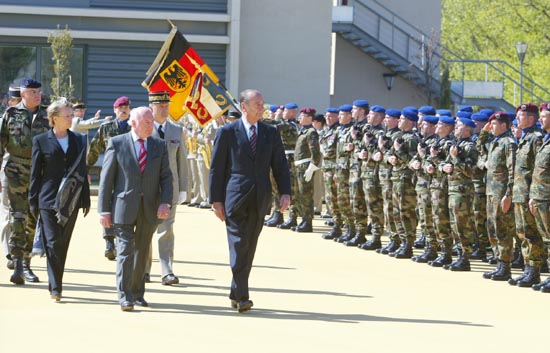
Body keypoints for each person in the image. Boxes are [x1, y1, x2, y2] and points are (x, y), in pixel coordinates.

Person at [209, 89, 290, 313]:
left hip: (260, 197)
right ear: (244, 107)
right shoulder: (227, 132)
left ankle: (237, 291)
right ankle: (243, 295)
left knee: (250, 245)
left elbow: (280, 165)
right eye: (257, 104)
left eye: (262, 103)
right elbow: (216, 168)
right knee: (238, 244)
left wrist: (285, 192)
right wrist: (216, 200)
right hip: (234, 197)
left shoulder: (270, 132)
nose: (261, 107)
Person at [98, 106, 172, 311]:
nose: (151, 125)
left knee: (141, 251)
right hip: (123, 206)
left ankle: (138, 293)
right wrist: (103, 210)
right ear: (133, 123)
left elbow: (166, 177)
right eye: (146, 122)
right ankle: (124, 295)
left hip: (149, 207)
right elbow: (106, 180)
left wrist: (166, 202)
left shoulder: (158, 145)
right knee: (125, 251)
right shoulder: (117, 143)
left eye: (151, 122)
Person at [29, 98, 90, 301]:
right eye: (67, 116)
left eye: (72, 115)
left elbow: (82, 171)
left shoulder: (79, 140)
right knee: (54, 243)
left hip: (71, 200)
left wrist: (86, 198)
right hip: (48, 200)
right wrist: (33, 200)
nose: (71, 118)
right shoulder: (40, 140)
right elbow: (36, 173)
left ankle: (54, 282)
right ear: (54, 118)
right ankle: (57, 287)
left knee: (62, 244)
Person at [0, 78, 50, 285]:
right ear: (23, 94)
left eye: (38, 91)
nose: (37, 95)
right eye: (32, 92)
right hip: (15, 171)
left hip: (40, 172)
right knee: (17, 216)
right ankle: (18, 263)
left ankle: (27, 262)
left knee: (32, 217)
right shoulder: (11, 114)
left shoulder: (48, 115)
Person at [145, 91, 188, 286]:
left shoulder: (177, 131)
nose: (164, 109)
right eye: (160, 106)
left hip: (169, 189)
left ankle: (167, 270)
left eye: (166, 106)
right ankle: (144, 269)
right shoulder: (142, 129)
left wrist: (183, 188)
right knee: (145, 230)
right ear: (151, 108)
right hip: (147, 188)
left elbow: (182, 162)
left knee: (166, 230)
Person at [88, 96, 132, 261]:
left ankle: (124, 239)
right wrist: (86, 168)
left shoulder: (135, 126)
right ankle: (109, 242)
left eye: (126, 107)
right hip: (109, 172)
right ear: (114, 110)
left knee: (125, 206)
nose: (123, 110)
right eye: (120, 107)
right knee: (106, 205)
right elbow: (94, 148)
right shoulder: (106, 128)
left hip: (129, 174)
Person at [508, 103, 544, 287]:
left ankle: (534, 271)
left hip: (530, 194)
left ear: (531, 118)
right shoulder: (525, 138)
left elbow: (537, 170)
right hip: (519, 194)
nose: (517, 120)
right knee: (522, 233)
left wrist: (532, 195)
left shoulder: (536, 138)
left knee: (532, 234)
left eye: (520, 116)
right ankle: (527, 269)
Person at [480, 112, 516, 281]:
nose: (491, 126)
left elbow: (512, 170)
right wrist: (484, 132)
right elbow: (480, 148)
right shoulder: (495, 142)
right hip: (490, 192)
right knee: (492, 228)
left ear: (503, 125)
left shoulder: (508, 143)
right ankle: (498, 262)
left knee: (502, 230)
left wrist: (508, 194)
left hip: (501, 193)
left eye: (494, 124)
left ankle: (505, 265)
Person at [1, 85, 22, 270]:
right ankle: (9, 252)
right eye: (16, 100)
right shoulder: (5, 120)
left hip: (27, 173)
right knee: (8, 212)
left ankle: (21, 253)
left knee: (24, 214)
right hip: (7, 171)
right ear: (10, 102)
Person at [530, 102, 550, 292]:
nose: (540, 119)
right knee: (546, 239)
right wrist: (533, 196)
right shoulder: (546, 140)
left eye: (544, 116)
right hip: (540, 197)